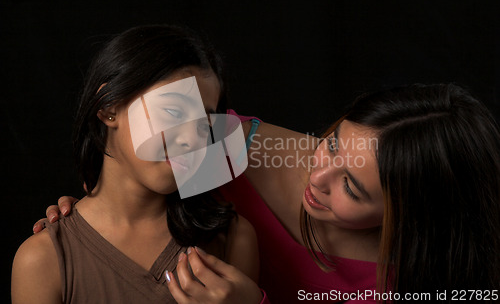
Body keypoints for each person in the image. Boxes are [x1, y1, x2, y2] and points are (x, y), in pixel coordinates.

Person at [36, 84, 500, 302]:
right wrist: (84, 228)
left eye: (352, 189)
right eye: (331, 143)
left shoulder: (417, 285)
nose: (316, 179)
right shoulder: (231, 147)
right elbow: (125, 176)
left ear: (412, 217)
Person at [12, 25, 266, 304]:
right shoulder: (42, 261)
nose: (191, 139)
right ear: (109, 106)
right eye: (173, 111)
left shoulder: (233, 240)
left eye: (205, 125)